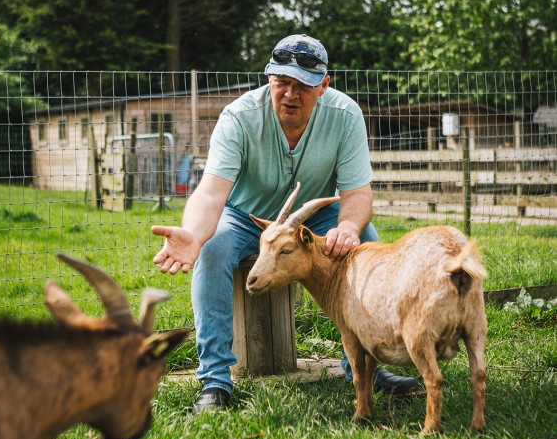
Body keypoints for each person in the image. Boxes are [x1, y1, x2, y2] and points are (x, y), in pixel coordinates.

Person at [152, 34, 418, 412]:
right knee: (211, 251)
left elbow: (357, 195)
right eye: (282, 82)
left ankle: (363, 367)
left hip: (315, 217)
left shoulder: (345, 116)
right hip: (246, 216)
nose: (290, 94)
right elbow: (211, 193)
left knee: (366, 243)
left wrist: (348, 228)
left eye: (303, 86)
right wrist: (194, 235)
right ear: (269, 78)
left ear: (323, 86)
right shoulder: (239, 118)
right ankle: (215, 382)